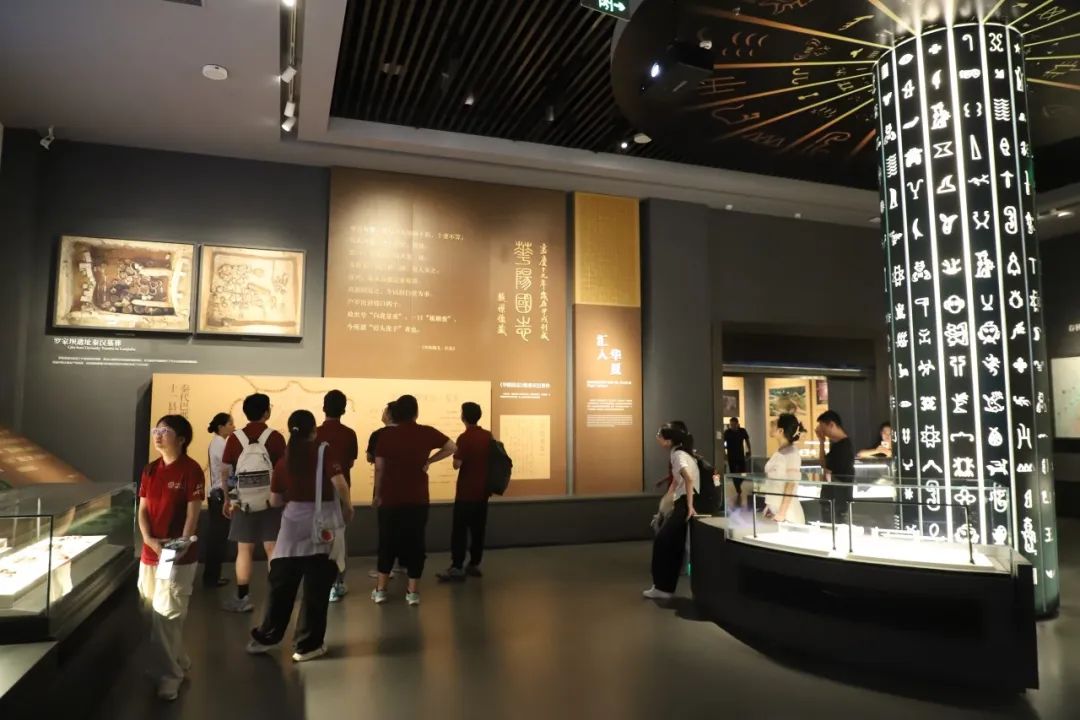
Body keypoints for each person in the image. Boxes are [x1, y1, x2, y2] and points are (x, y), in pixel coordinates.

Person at [247, 410, 353, 663]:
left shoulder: (286, 458)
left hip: (291, 527)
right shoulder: (323, 451)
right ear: (313, 430)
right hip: (323, 525)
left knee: (281, 584)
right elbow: (340, 483)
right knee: (316, 589)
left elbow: (275, 500)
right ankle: (307, 645)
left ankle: (266, 636)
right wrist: (348, 507)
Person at [137, 415, 204, 701]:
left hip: (172, 553)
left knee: (166, 613)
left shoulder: (191, 470)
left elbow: (192, 514)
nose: (158, 435)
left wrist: (181, 545)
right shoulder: (150, 469)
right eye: (157, 430)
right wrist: (148, 539)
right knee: (149, 609)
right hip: (151, 552)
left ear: (182, 439)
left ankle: (169, 675)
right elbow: (142, 509)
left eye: (165, 431)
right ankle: (176, 656)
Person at [372, 394, 456, 606]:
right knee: (416, 543)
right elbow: (451, 447)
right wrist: (429, 461)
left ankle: (381, 590)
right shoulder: (426, 432)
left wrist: (377, 495)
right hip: (418, 499)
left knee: (387, 543)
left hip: (390, 498)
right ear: (416, 412)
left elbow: (380, 468)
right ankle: (412, 592)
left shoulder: (386, 436)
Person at [221, 393, 286, 613]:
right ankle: (277, 597)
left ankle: (242, 597)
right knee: (273, 548)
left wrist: (228, 498)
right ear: (266, 412)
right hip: (271, 500)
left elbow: (226, 471)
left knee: (244, 549)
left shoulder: (234, 438)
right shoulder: (275, 437)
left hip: (243, 501)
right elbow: (283, 469)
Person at [436, 402, 493, 583]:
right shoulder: (487, 435)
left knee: (460, 530)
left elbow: (457, 464)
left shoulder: (464, 438)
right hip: (482, 491)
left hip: (466, 492)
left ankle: (457, 566)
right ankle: (474, 564)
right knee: (478, 529)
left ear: (463, 417)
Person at [643, 425, 699, 601]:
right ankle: (663, 587)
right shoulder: (682, 453)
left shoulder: (678, 455)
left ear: (668, 440)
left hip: (683, 503)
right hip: (682, 502)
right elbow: (677, 481)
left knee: (664, 543)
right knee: (671, 544)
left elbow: (688, 478)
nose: (657, 437)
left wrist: (689, 505)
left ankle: (662, 587)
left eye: (659, 435)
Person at [316, 390, 358, 603]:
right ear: (343, 410)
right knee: (339, 540)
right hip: (341, 492)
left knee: (317, 538)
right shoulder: (349, 434)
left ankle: (318, 582)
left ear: (324, 408)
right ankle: (337, 583)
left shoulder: (314, 433)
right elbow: (350, 462)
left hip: (316, 494)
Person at [365, 402, 399, 580]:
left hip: (385, 489)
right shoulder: (407, 434)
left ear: (390, 414)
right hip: (406, 489)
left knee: (386, 531)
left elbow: (371, 458)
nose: (383, 413)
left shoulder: (378, 435)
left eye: (385, 410)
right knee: (404, 528)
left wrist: (377, 495)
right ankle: (403, 564)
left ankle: (386, 569)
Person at [203, 412, 234, 589]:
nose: (233, 427)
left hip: (216, 493)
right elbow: (226, 471)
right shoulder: (221, 444)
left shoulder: (217, 443)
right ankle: (211, 578)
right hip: (220, 494)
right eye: (230, 424)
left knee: (217, 537)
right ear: (221, 427)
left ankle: (212, 577)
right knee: (218, 538)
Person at [762, 414, 806, 525]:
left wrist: (781, 514)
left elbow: (790, 484)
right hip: (776, 510)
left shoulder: (791, 453)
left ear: (781, 431)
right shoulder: (781, 451)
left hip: (788, 515)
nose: (771, 424)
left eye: (774, 423)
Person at [816, 410, 855, 525]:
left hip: (837, 500)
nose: (822, 432)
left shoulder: (844, 446)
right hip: (834, 499)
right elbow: (823, 464)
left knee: (834, 527)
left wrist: (821, 441)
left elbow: (826, 468)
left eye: (823, 428)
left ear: (832, 425)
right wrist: (821, 441)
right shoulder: (838, 445)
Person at [723, 417, 752, 508]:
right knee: (733, 473)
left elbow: (747, 440)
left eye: (734, 424)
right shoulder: (727, 432)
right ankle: (737, 488)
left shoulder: (742, 431)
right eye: (731, 425)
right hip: (731, 456)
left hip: (740, 455)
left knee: (743, 472)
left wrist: (749, 450)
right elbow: (722, 443)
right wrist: (724, 453)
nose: (732, 426)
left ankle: (738, 484)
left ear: (737, 424)